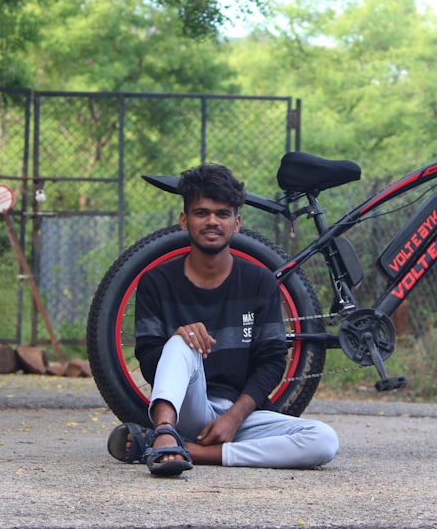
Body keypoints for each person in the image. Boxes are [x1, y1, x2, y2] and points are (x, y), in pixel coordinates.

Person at [107, 162, 339, 476]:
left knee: (323, 441)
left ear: (237, 223)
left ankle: (188, 451)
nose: (212, 221)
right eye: (201, 213)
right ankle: (164, 433)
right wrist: (180, 338)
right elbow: (148, 359)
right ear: (184, 220)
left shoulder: (260, 281)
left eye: (222, 213)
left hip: (240, 415)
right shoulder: (155, 280)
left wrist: (233, 419)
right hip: (185, 409)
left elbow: (272, 362)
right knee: (181, 343)